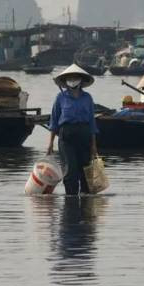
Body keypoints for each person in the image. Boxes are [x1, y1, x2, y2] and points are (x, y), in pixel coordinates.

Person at [46, 64, 99, 195]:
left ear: (81, 80)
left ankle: (86, 199)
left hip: (84, 135)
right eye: (70, 78)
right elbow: (54, 121)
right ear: (65, 81)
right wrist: (50, 144)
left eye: (75, 77)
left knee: (86, 170)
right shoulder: (60, 98)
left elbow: (92, 122)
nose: (73, 80)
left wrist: (94, 145)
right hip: (66, 137)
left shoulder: (87, 98)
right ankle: (71, 199)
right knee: (70, 170)